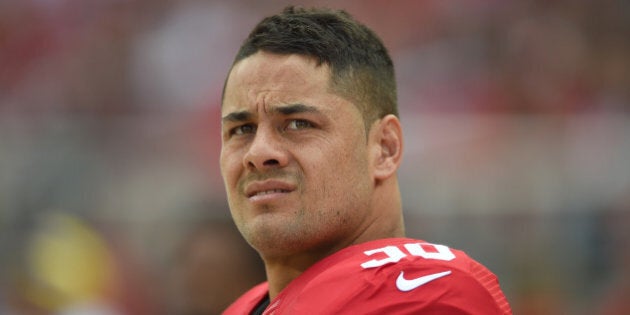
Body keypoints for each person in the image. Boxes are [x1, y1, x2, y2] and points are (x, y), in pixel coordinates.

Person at [219, 6, 512, 314]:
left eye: (298, 123)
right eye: (241, 129)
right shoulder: (243, 307)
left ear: (385, 148)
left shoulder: (424, 291)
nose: (258, 153)